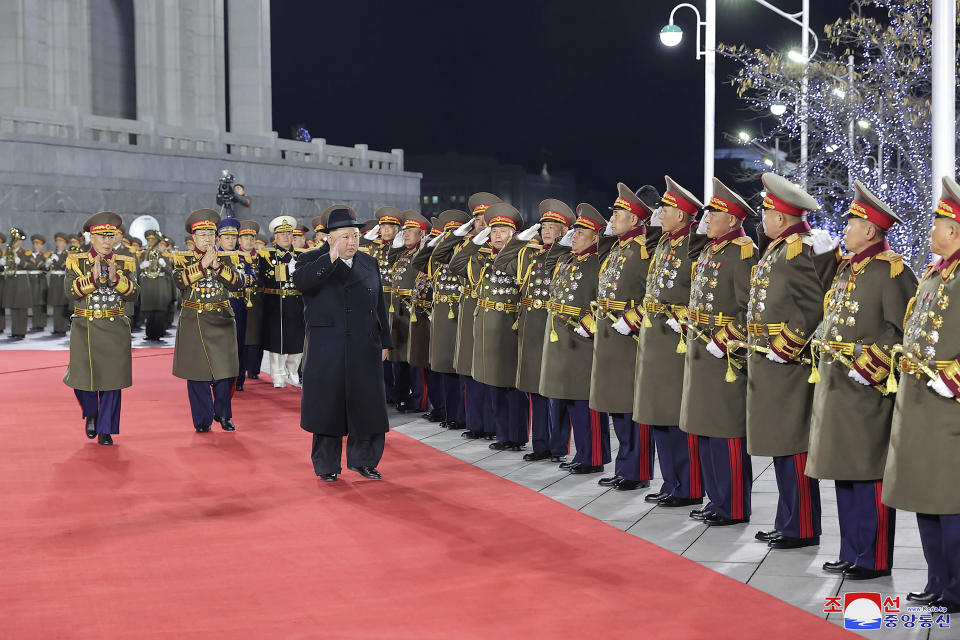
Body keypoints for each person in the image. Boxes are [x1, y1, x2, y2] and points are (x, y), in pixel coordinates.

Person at [806, 180, 916, 579]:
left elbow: (904, 330)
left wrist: (870, 362)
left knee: (868, 473)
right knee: (845, 472)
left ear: (870, 230)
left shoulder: (891, 271)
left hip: (868, 390)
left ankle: (873, 557)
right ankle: (851, 550)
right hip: (839, 386)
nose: (844, 230)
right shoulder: (848, 268)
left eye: (850, 224)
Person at [746, 172, 840, 550]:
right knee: (782, 449)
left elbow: (815, 303)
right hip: (770, 363)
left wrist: (789, 343)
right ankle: (788, 521)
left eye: (767, 214)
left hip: (788, 364)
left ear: (781, 218)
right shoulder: (778, 247)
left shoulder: (797, 248)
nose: (762, 220)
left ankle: (800, 527)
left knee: (793, 446)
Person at [882, 175, 960, 613]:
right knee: (925, 496)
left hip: (949, 407)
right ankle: (936, 581)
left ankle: (956, 587)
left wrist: (952, 378)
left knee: (951, 501)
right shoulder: (935, 272)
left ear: (954, 230)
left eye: (936, 225)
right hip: (919, 401)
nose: (930, 232)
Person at [679, 178, 757, 526]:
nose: (707, 218)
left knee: (725, 432)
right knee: (705, 428)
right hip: (700, 348)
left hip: (725, 357)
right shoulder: (711, 249)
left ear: (733, 220)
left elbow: (751, 308)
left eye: (715, 213)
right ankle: (716, 500)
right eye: (708, 212)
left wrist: (725, 338)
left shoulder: (743, 252)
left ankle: (733, 506)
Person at [293, 205, 392, 481]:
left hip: (365, 345)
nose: (352, 242)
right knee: (328, 408)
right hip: (328, 348)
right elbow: (301, 283)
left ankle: (365, 460)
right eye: (345, 236)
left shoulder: (368, 262)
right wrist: (331, 258)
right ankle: (326, 465)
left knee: (367, 406)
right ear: (329, 237)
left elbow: (379, 305)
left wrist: (385, 340)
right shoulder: (309, 261)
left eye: (355, 236)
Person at [630, 176, 709, 508]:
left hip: (677, 340)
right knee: (658, 413)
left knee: (678, 418)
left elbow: (704, 290)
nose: (658, 213)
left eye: (665, 208)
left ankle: (689, 486)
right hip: (655, 340)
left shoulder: (692, 243)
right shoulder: (663, 242)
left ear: (682, 214)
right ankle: (671, 481)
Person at [594, 184, 661, 490]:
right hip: (611, 337)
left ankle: (637, 471)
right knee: (617, 407)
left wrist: (632, 320)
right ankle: (624, 467)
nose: (613, 219)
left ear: (635, 220)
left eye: (619, 214)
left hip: (630, 339)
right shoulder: (619, 247)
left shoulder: (645, 248)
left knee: (633, 409)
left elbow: (655, 294)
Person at [494, 199, 571, 461]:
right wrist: (517, 241)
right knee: (535, 390)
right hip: (530, 326)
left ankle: (558, 446)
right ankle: (540, 445)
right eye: (544, 226)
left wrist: (561, 244)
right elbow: (501, 263)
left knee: (554, 393)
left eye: (552, 227)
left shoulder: (566, 253)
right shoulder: (529, 252)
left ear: (564, 230)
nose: (546, 231)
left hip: (552, 328)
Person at [449, 201, 528, 448]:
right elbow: (455, 266)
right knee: (493, 384)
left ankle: (516, 436)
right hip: (486, 326)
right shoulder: (481, 256)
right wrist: (473, 242)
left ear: (513, 235)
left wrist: (514, 245)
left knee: (511, 387)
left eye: (503, 231)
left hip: (509, 327)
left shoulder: (521, 256)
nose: (497, 236)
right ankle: (503, 435)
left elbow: (511, 269)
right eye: (493, 231)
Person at [540, 204, 609, 472]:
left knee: (584, 402)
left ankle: (592, 457)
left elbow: (604, 299)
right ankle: (581, 454)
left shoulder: (598, 261)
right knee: (568, 398)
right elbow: (548, 262)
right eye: (575, 232)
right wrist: (563, 241)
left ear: (595, 237)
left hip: (582, 339)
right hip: (562, 339)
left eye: (582, 232)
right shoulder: (566, 259)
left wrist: (591, 324)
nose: (576, 236)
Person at [62, 211, 139, 445]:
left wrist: (117, 280)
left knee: (112, 381)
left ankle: (106, 428)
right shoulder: (76, 261)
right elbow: (70, 292)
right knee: (81, 379)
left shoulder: (126, 262)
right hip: (85, 327)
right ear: (91, 238)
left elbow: (135, 294)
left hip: (115, 328)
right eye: (101, 237)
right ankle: (91, 412)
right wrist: (92, 280)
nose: (107, 241)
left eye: (110, 237)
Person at [172, 208, 243, 432]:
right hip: (194, 320)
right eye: (203, 235)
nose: (207, 239)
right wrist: (202, 266)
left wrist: (217, 267)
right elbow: (180, 281)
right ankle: (202, 419)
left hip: (222, 319)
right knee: (197, 374)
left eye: (211, 235)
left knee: (226, 372)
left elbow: (238, 284)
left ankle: (223, 414)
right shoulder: (181, 259)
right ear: (193, 239)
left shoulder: (227, 258)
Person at [442, 193, 501, 440]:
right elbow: (443, 260)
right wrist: (465, 238)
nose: (481, 223)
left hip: (494, 311)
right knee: (469, 371)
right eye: (477, 219)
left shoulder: (506, 247)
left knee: (490, 372)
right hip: (469, 309)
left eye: (486, 219)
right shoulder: (470, 246)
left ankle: (492, 426)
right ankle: (475, 424)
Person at [422, 209, 472, 430]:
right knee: (443, 367)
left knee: (456, 369)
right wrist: (435, 241)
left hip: (457, 312)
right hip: (442, 313)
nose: (450, 235)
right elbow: (418, 262)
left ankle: (460, 415)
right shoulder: (445, 250)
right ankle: (450, 413)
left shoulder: (465, 251)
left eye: (454, 231)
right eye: (448, 232)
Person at [385, 210, 431, 412]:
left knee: (414, 357)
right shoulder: (403, 252)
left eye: (411, 230)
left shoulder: (423, 254)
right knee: (397, 356)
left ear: (422, 234)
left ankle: (419, 400)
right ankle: (400, 396)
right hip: (398, 310)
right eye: (405, 230)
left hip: (413, 309)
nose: (406, 234)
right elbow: (390, 258)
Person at [258, 215, 306, 388]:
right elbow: (268, 277)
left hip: (296, 301)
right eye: (282, 234)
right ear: (275, 238)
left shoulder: (302, 255)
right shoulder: (266, 255)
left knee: (297, 339)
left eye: (289, 233)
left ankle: (292, 370)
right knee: (277, 341)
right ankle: (277, 373)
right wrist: (288, 270)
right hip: (275, 301)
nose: (286, 236)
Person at [217, 217, 257, 391]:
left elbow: (253, 278)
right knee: (218, 345)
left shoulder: (243, 257)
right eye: (227, 237)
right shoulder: (213, 256)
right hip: (218, 305)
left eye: (234, 237)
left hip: (239, 305)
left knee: (238, 343)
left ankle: (238, 380)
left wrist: (241, 279)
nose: (231, 241)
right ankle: (217, 378)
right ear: (219, 239)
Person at [237, 220, 264, 384]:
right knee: (241, 338)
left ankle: (254, 368)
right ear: (239, 240)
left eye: (251, 238)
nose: (249, 240)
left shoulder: (261, 257)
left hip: (257, 301)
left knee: (256, 337)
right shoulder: (233, 257)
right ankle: (239, 373)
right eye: (245, 237)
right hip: (239, 299)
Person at [138, 229, 175, 342]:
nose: (150, 242)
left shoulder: (163, 256)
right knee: (149, 312)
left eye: (153, 240)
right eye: (149, 240)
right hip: (148, 286)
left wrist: (163, 265)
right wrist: (141, 267)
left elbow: (170, 272)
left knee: (160, 311)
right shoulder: (143, 254)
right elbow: (136, 272)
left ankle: (159, 333)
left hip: (160, 287)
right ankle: (150, 334)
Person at [1, 228, 32, 340]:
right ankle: (15, 331)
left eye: (18, 240)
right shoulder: (7, 252)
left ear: (21, 241)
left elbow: (31, 266)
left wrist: (21, 262)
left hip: (22, 280)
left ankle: (21, 331)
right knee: (14, 307)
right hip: (11, 280)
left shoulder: (26, 252)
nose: (16, 242)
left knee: (22, 308)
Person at [47, 232, 71, 336]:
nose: (58, 243)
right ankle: (56, 327)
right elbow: (46, 269)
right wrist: (47, 263)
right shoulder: (52, 254)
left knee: (63, 305)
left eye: (60, 241)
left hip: (62, 281)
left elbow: (63, 267)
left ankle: (63, 328)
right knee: (56, 305)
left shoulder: (68, 254)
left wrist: (56, 261)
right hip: (54, 281)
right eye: (57, 241)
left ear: (65, 243)